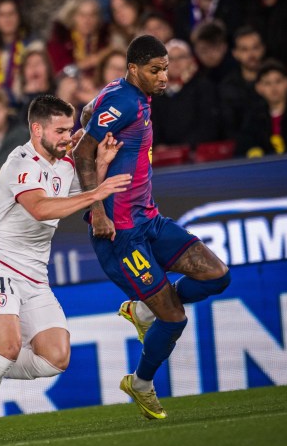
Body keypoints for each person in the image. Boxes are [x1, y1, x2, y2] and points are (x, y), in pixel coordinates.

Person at [0, 95, 131, 446]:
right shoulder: (20, 163)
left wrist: (101, 166)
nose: (68, 136)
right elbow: (42, 208)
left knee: (55, 358)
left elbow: (77, 193)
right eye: (60, 130)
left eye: (71, 128)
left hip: (35, 275)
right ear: (37, 129)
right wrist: (99, 192)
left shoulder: (64, 164)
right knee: (9, 347)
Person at [74, 35, 231, 421]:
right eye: (156, 70)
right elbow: (82, 152)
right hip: (120, 234)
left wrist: (89, 117)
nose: (164, 76)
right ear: (134, 69)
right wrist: (97, 212)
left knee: (217, 276)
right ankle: (140, 383)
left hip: (149, 220)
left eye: (165, 68)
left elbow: (87, 115)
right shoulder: (124, 99)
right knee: (174, 317)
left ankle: (142, 312)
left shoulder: (130, 95)